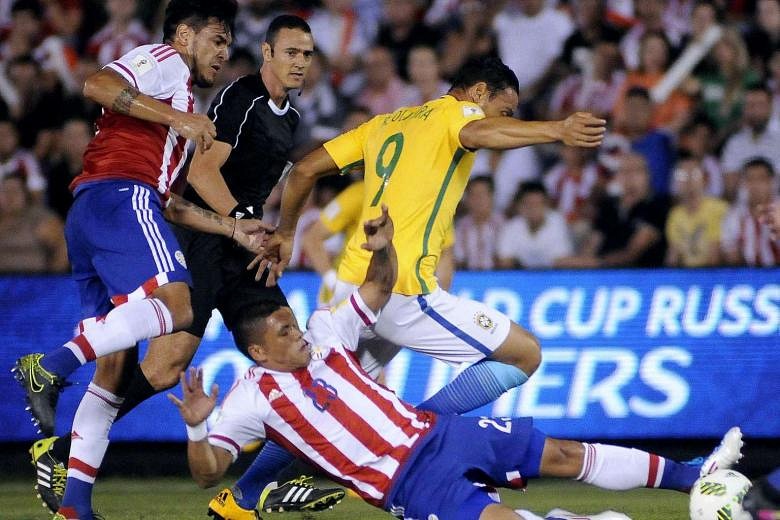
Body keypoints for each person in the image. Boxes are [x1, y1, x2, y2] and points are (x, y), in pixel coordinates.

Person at [170, 206, 745, 520]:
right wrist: (197, 423)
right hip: (410, 484)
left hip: (442, 435)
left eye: (293, 323)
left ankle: (695, 478)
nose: (298, 335)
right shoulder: (250, 397)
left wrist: (385, 247)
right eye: (284, 333)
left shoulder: (327, 331)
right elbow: (205, 473)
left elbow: (377, 286)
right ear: (257, 351)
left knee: (563, 454)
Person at [216, 56, 604, 517]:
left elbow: (303, 171)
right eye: (507, 109)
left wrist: (285, 232)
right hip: (398, 288)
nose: (507, 120)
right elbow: (481, 132)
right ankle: (428, 431)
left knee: (324, 399)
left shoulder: (386, 122)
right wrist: (555, 130)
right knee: (525, 353)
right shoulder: (456, 116)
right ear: (479, 93)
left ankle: (237, 500)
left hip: (354, 288)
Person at [27, 13, 343, 518]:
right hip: (201, 241)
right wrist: (241, 219)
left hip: (238, 247)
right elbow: (199, 168)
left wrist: (267, 233)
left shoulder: (288, 114)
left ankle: (263, 485)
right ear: (267, 53)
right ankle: (63, 448)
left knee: (289, 345)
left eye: (307, 54)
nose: (301, 62)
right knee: (163, 368)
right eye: (291, 52)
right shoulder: (243, 100)